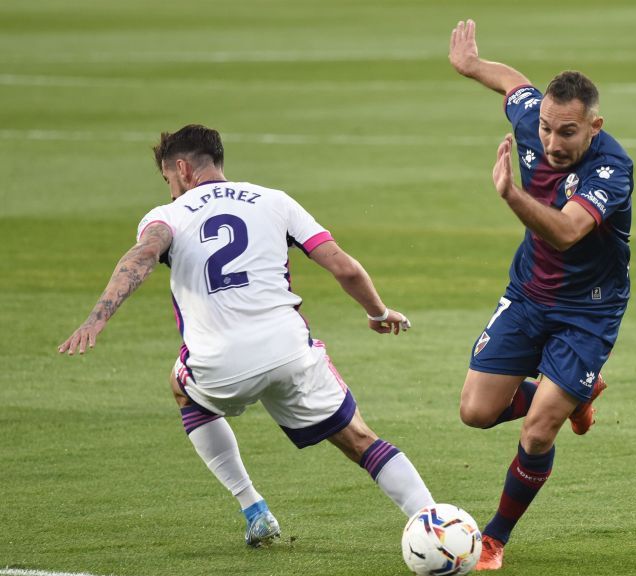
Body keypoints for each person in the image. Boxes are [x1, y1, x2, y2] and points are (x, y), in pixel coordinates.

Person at [58, 124, 434, 547]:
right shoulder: (275, 201)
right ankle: (434, 523)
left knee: (181, 387)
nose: (169, 190)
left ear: (181, 169)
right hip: (288, 351)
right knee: (361, 440)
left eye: (167, 180)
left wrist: (98, 317)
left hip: (220, 367)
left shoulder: (167, 216)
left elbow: (144, 255)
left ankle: (253, 508)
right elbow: (343, 267)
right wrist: (378, 312)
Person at [449, 20, 633, 570]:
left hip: (588, 312)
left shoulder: (612, 168)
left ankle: (494, 538)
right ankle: (572, 392)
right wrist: (474, 66)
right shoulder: (535, 119)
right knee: (476, 412)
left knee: (538, 429)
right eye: (548, 129)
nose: (553, 142)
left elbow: (568, 230)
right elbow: (515, 85)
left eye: (568, 132)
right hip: (528, 294)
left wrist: (509, 195)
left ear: (594, 126)